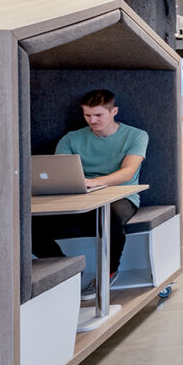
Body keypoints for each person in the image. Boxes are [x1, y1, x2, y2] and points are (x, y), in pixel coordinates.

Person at [32, 89, 148, 300]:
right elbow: (61, 171)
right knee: (30, 227)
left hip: (121, 196)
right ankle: (69, 272)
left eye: (98, 115)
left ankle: (109, 272)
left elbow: (128, 172)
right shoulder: (71, 139)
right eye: (87, 115)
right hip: (81, 196)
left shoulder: (136, 135)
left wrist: (95, 182)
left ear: (114, 111)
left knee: (113, 216)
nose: (92, 120)